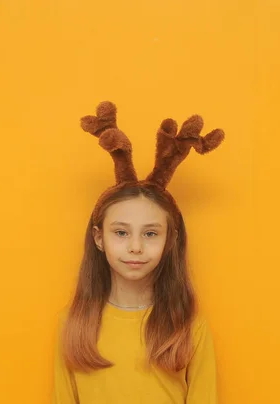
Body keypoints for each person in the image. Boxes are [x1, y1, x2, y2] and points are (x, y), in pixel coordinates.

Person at [52, 101, 225, 403]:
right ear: (99, 238)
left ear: (170, 239)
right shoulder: (73, 324)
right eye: (121, 232)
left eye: (150, 233)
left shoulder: (189, 327)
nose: (135, 246)